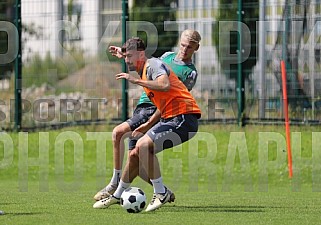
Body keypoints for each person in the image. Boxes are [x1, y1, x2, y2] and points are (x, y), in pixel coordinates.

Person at [93, 37, 201, 212]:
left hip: (183, 117)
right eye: (126, 57)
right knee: (135, 154)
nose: (126, 60)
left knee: (140, 144)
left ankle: (160, 192)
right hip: (168, 116)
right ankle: (117, 194)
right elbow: (164, 98)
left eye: (129, 57)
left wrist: (135, 81)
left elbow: (164, 85)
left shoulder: (154, 65)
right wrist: (148, 124)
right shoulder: (154, 63)